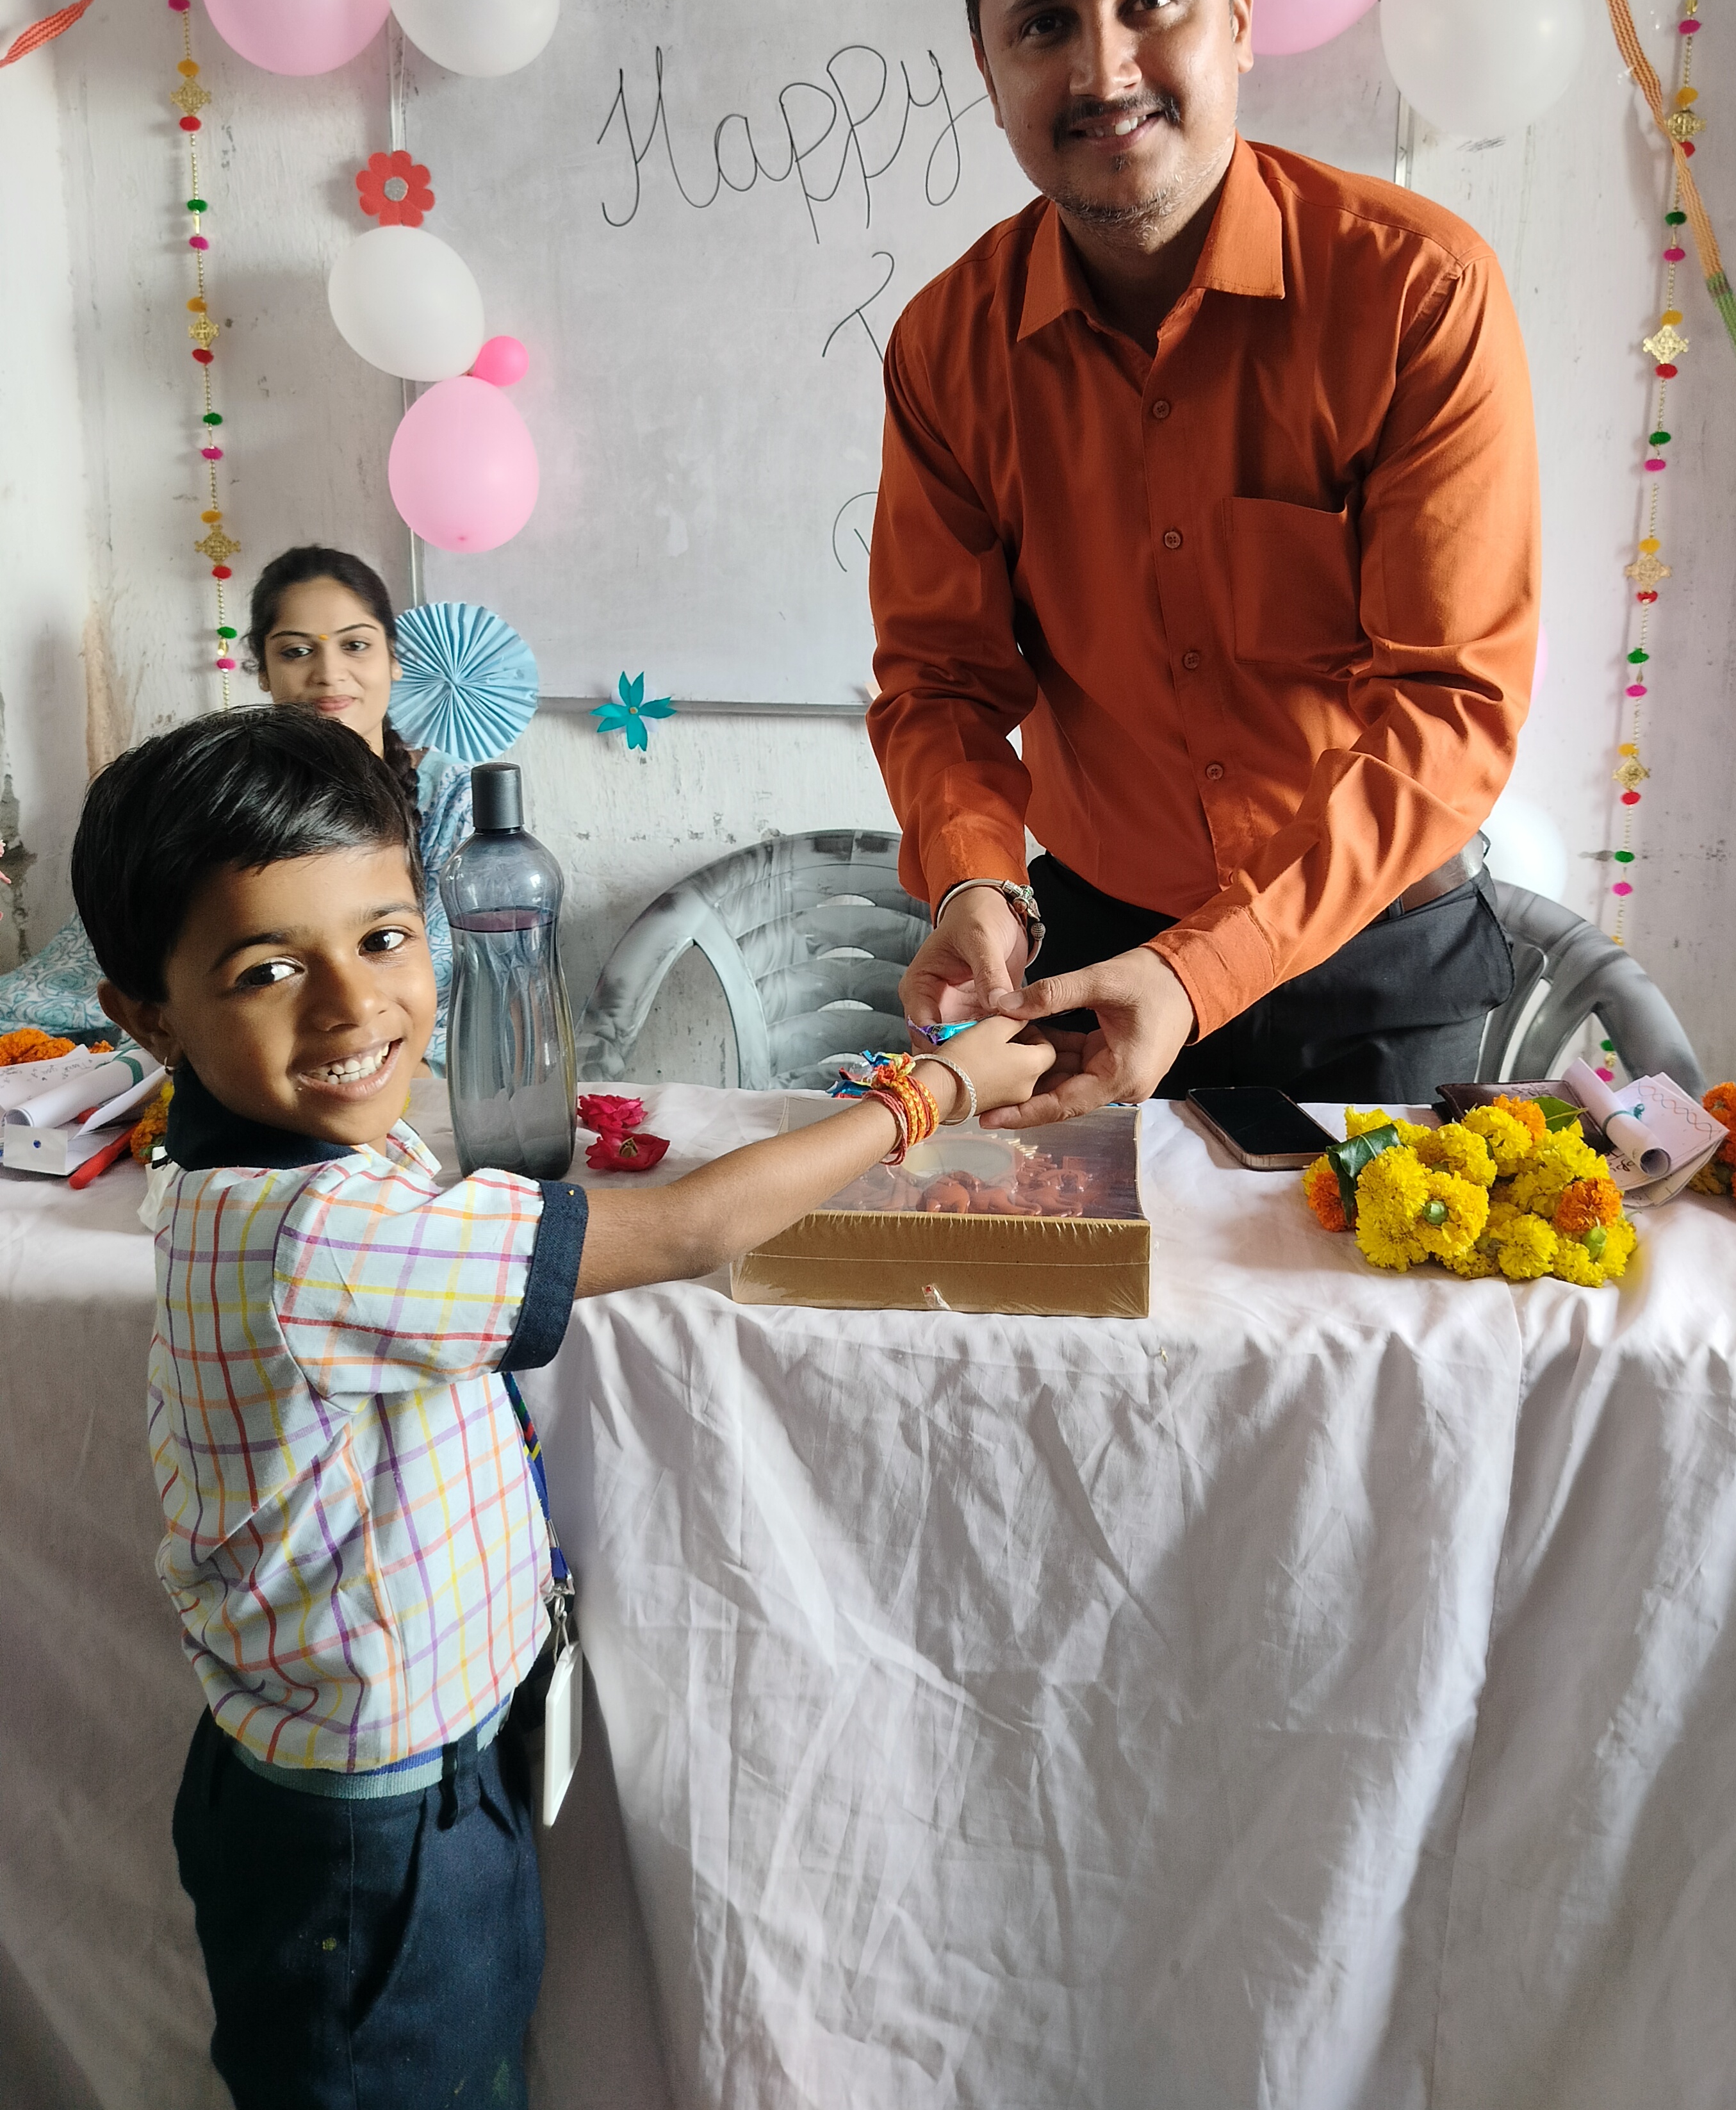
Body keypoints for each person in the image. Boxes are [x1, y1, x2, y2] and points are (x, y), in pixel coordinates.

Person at [70, 705, 1048, 2110]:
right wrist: (930, 1092)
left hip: (400, 1782)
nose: (350, 1006)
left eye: (384, 937)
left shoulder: (290, 1162)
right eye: (268, 970)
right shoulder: (308, 1232)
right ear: (147, 1016)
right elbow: (694, 1226)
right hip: (374, 1836)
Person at [871, 0, 1539, 1119]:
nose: (1102, 69)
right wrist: (974, 878)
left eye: (1149, 2)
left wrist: (1203, 970)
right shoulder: (948, 347)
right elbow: (941, 681)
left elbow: (1449, 704)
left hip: (1380, 958)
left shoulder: (1415, 292)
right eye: (1043, 24)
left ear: (1238, 15)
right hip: (1088, 951)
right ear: (989, 69)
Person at [0, 543, 473, 1067]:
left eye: (356, 645)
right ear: (263, 669)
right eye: (297, 651)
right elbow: (87, 975)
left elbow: (481, 985)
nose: (329, 672)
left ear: (395, 658)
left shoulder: (456, 803)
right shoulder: (213, 797)